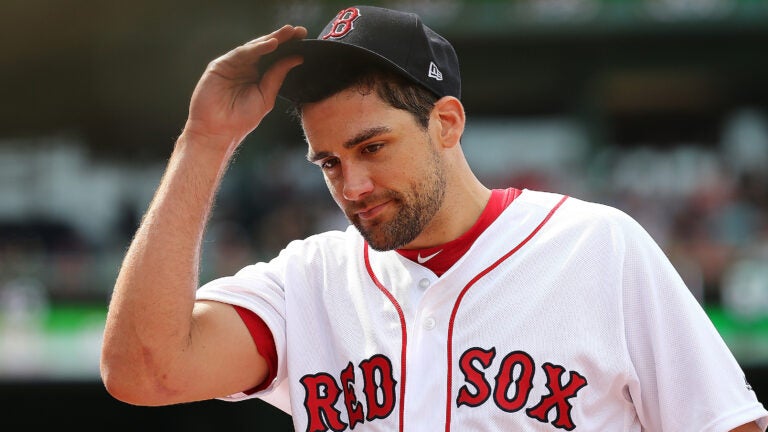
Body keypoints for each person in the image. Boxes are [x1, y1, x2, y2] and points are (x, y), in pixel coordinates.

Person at [100, 5, 768, 431]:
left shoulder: (597, 246)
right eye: (328, 162)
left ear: (446, 123)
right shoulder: (309, 280)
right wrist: (205, 141)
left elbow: (724, 423)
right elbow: (144, 373)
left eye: (372, 147)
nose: (353, 184)